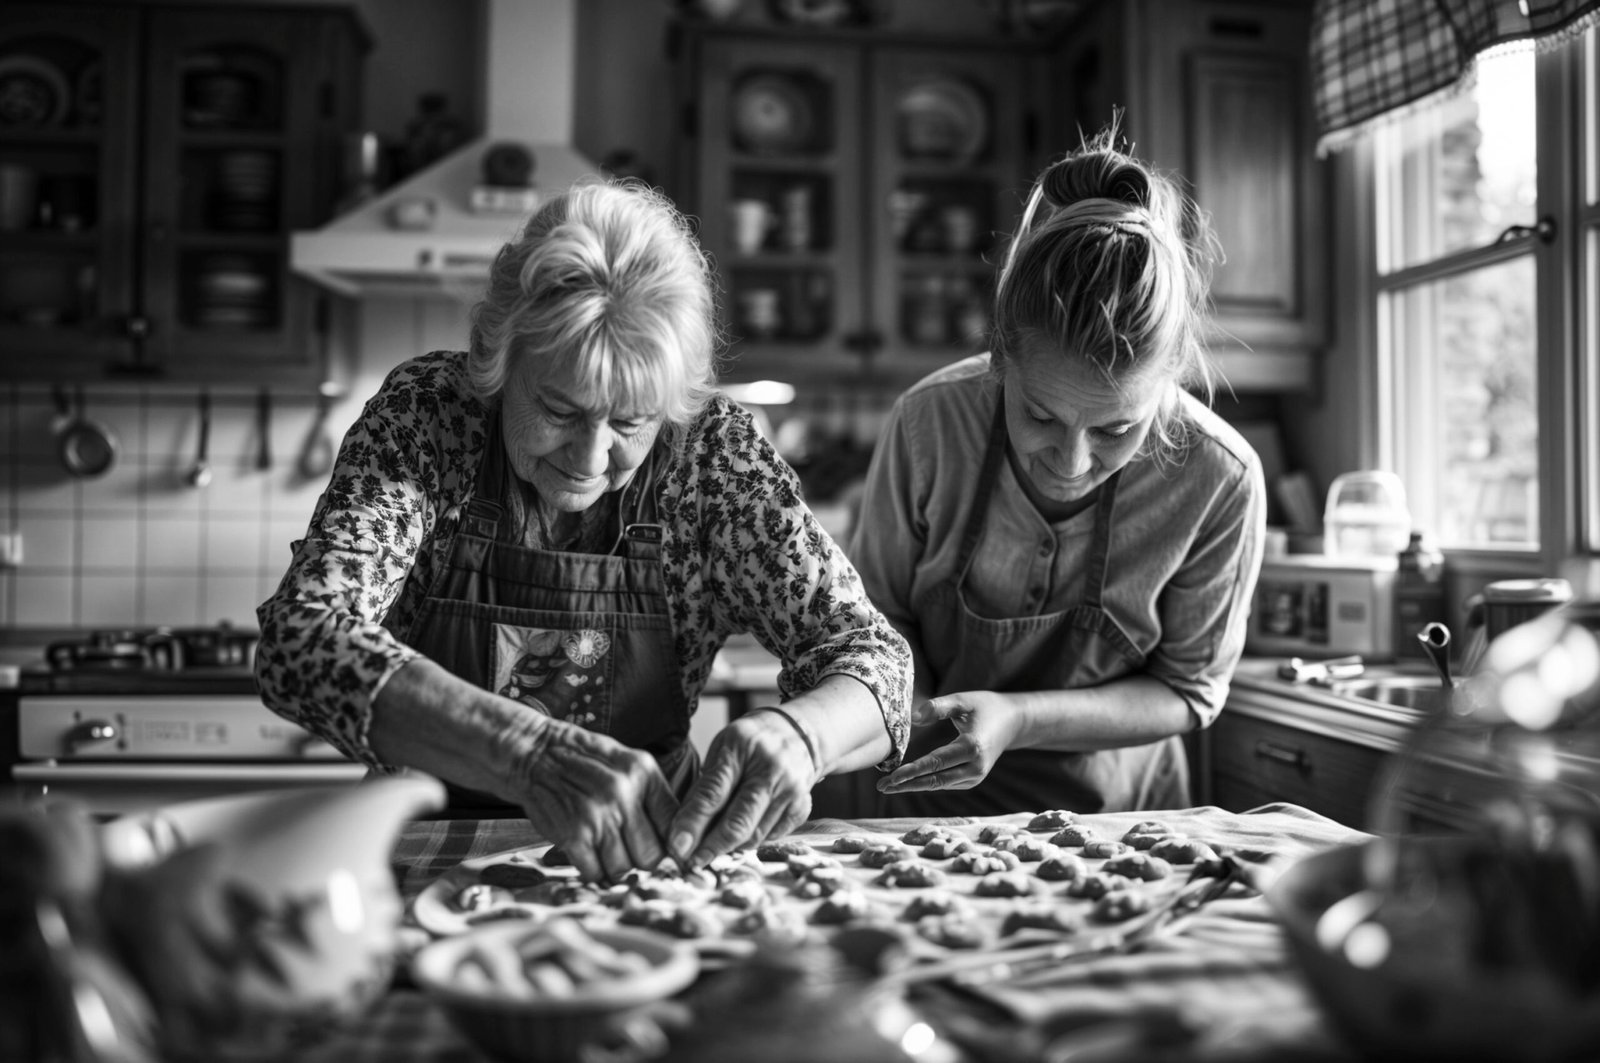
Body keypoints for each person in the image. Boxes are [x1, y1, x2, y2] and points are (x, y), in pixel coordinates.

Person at [255, 179, 911, 883]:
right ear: (497, 358)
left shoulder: (712, 455)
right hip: (424, 844)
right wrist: (528, 754)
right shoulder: (430, 417)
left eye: (630, 421)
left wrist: (802, 737)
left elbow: (876, 659)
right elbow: (302, 639)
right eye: (560, 411)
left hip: (644, 861)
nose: (591, 459)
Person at [847, 127, 1266, 817]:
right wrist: (913, 708)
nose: (1072, 462)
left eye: (1115, 430)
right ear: (999, 361)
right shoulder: (930, 423)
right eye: (1040, 415)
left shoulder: (1220, 478)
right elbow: (878, 618)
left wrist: (1018, 718)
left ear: (1168, 379)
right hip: (931, 809)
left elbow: (1188, 689)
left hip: (1124, 823)